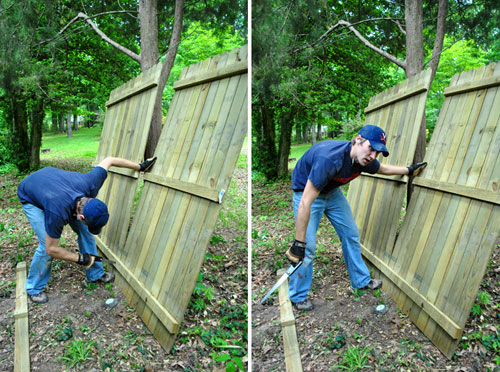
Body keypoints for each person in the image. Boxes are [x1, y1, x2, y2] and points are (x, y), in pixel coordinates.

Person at [285, 125, 427, 311]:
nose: (373, 155)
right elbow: (305, 202)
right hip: (307, 191)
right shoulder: (330, 158)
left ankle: (360, 280)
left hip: (332, 192)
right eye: (371, 148)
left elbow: (382, 169)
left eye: (378, 152)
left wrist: (408, 170)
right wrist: (298, 242)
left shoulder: (365, 161)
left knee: (351, 234)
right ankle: (297, 296)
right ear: (358, 140)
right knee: (307, 249)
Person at [17, 156, 157, 304]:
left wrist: (140, 166)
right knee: (46, 244)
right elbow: (51, 249)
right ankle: (34, 288)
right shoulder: (57, 213)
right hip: (30, 193)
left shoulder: (91, 183)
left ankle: (95, 273)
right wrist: (79, 259)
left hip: (54, 186)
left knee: (86, 232)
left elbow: (110, 160)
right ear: (81, 216)